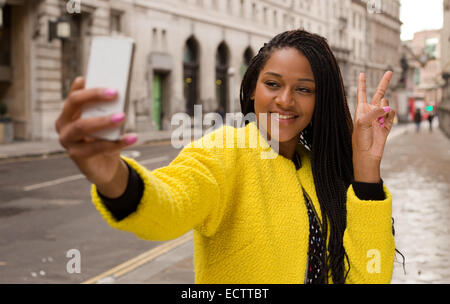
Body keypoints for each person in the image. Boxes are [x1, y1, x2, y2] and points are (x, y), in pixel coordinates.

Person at [55, 30, 397, 284]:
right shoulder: (225, 151)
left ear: (319, 100)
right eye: (273, 84)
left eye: (304, 89)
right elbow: (168, 206)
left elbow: (370, 277)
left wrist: (367, 168)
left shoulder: (318, 169)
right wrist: (114, 177)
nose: (286, 100)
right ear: (252, 89)